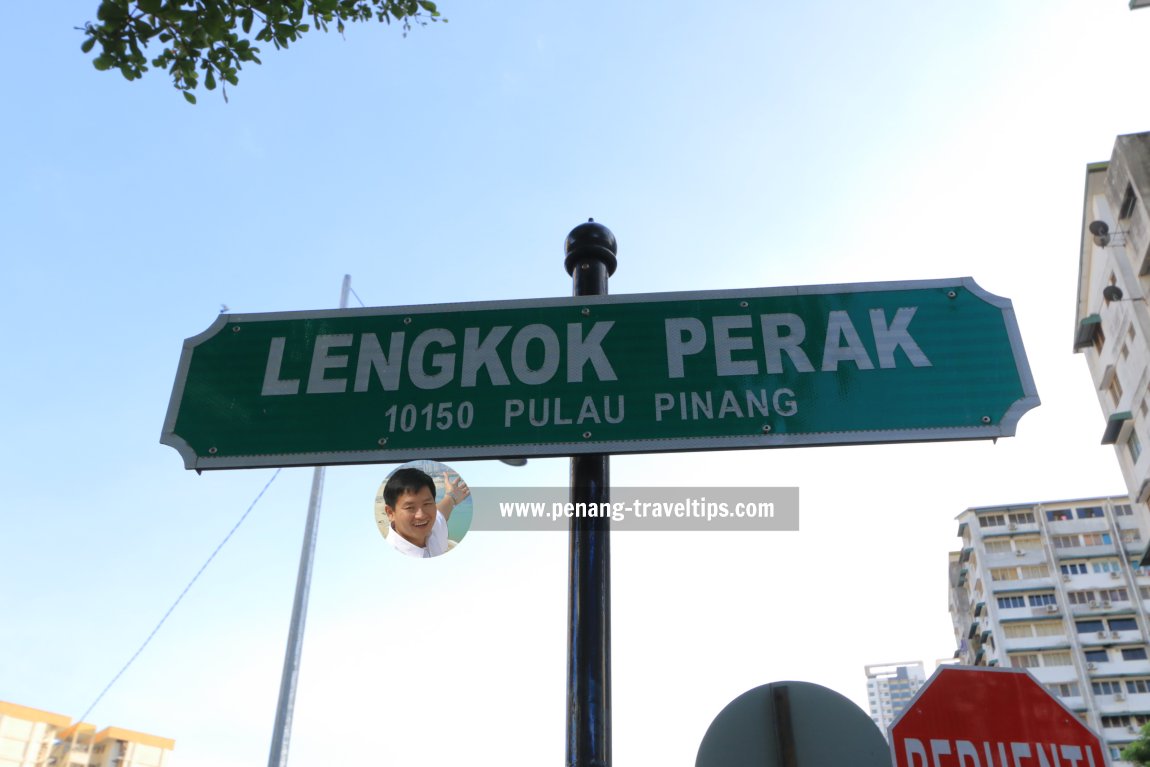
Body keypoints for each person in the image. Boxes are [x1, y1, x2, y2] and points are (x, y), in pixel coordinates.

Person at [382, 467, 470, 558]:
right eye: (410, 507)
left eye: (427, 504)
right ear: (390, 513)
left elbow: (442, 510)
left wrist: (452, 496)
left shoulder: (433, 528)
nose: (421, 515)